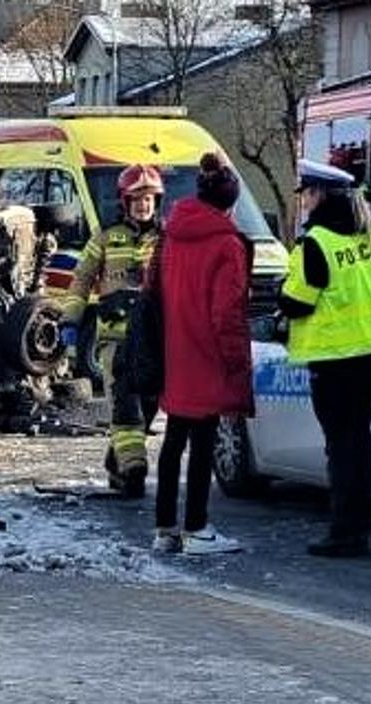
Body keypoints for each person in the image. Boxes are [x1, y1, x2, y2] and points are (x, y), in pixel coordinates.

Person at [279, 159, 371, 558]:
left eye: (307, 194)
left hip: (332, 359)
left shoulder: (315, 243)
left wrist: (281, 297)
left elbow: (297, 303)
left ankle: (345, 531)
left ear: (318, 194)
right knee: (358, 442)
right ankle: (357, 526)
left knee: (340, 445)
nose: (305, 202)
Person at [151, 153, 253, 556]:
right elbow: (227, 313)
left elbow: (152, 288)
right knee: (203, 444)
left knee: (173, 441)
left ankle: (164, 529)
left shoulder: (172, 234)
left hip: (175, 352)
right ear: (229, 204)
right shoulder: (227, 243)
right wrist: (236, 363)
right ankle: (196, 527)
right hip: (208, 356)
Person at [58, 164, 165, 497]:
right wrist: (70, 320)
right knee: (125, 403)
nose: (143, 205)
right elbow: (81, 280)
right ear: (124, 201)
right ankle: (134, 469)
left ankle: (116, 462)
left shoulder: (166, 239)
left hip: (152, 339)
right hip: (115, 339)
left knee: (148, 406)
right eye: (136, 199)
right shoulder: (105, 237)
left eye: (148, 199)